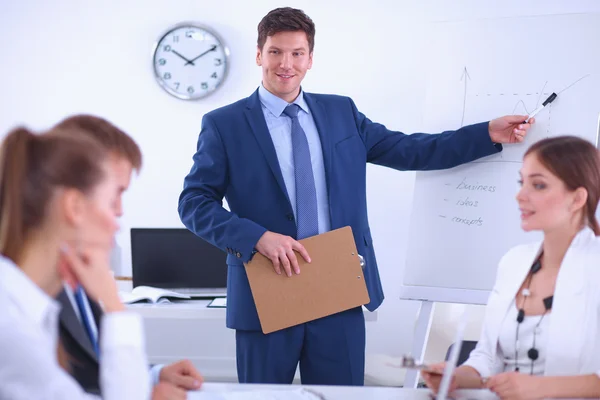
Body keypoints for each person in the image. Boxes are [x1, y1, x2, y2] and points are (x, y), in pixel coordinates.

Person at [178, 7, 533, 385]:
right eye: (276, 52)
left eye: (297, 53)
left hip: (338, 285)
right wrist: (258, 238)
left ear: (310, 58)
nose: (286, 64)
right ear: (259, 54)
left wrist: (486, 134)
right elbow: (194, 202)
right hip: (266, 289)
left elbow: (411, 149)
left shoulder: (340, 112)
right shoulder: (225, 123)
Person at [422, 136, 600, 399]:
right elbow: (487, 360)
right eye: (522, 182)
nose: (520, 195)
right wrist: (457, 377)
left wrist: (540, 388)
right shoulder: (514, 262)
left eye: (538, 185)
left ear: (577, 199)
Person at [54, 114, 203, 399]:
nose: (120, 210)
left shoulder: (76, 272)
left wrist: (154, 374)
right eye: (115, 193)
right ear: (74, 196)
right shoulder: (35, 287)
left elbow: (91, 363)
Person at [0, 126, 150, 399]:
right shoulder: (11, 329)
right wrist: (115, 305)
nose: (116, 221)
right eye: (109, 202)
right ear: (74, 208)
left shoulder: (26, 309)